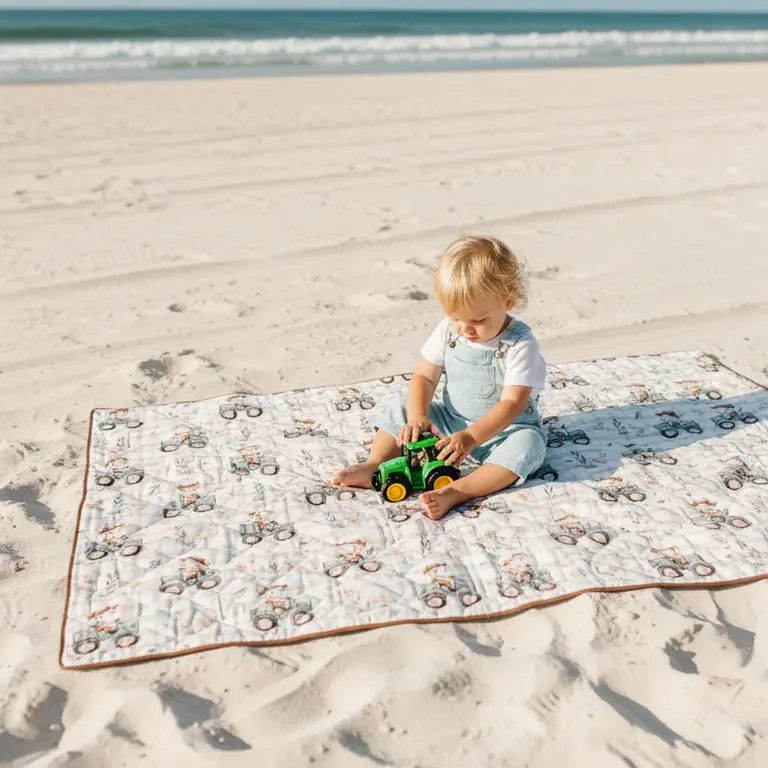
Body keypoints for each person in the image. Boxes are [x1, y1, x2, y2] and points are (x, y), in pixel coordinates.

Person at [332, 236, 547, 520]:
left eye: (478, 321)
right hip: (450, 422)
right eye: (456, 317)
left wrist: (471, 437)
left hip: (505, 431)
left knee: (529, 446)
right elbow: (424, 375)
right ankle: (375, 464)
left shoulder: (520, 344)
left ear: (507, 299)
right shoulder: (448, 331)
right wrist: (419, 416)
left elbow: (512, 404)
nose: (465, 329)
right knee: (403, 405)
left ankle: (458, 491)